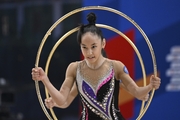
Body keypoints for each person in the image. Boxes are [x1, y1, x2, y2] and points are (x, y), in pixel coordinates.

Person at [31, 12, 161, 120]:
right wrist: (44, 79)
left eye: (94, 47)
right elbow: (62, 100)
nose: (89, 52)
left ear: (103, 43)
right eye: (84, 47)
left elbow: (137, 93)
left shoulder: (116, 67)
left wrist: (150, 86)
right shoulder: (74, 69)